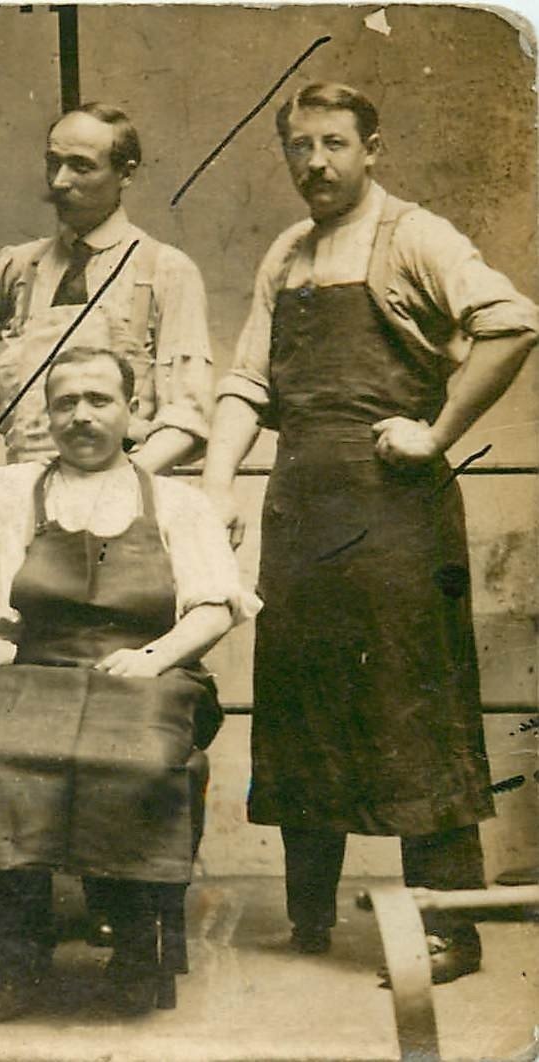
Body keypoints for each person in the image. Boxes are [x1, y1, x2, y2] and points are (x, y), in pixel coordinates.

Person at [201, 82, 539, 984]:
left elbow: (511, 323)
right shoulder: (287, 254)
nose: (316, 162)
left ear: (371, 147)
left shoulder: (414, 237)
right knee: (305, 702)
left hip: (397, 521)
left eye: (335, 143)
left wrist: (434, 434)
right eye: (301, 145)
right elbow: (246, 382)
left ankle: (448, 932)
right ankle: (309, 917)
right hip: (302, 516)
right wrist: (217, 481)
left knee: (411, 705)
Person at [0, 101, 216, 959]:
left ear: (126, 172)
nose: (62, 181)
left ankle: (121, 892)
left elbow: (189, 408)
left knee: (115, 711)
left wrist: (124, 478)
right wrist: (1, 416)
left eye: (83, 165)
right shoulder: (18, 266)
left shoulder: (164, 270)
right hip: (25, 503)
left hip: (125, 502)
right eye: (54, 163)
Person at [0, 346, 257, 1022]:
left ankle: (134, 950)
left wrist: (155, 657)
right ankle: (17, 950)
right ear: (47, 415)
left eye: (98, 399)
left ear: (132, 412)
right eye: (65, 401)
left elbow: (217, 605)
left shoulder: (176, 503)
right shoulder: (15, 491)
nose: (81, 415)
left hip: (147, 675)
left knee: (138, 760)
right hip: (36, 671)